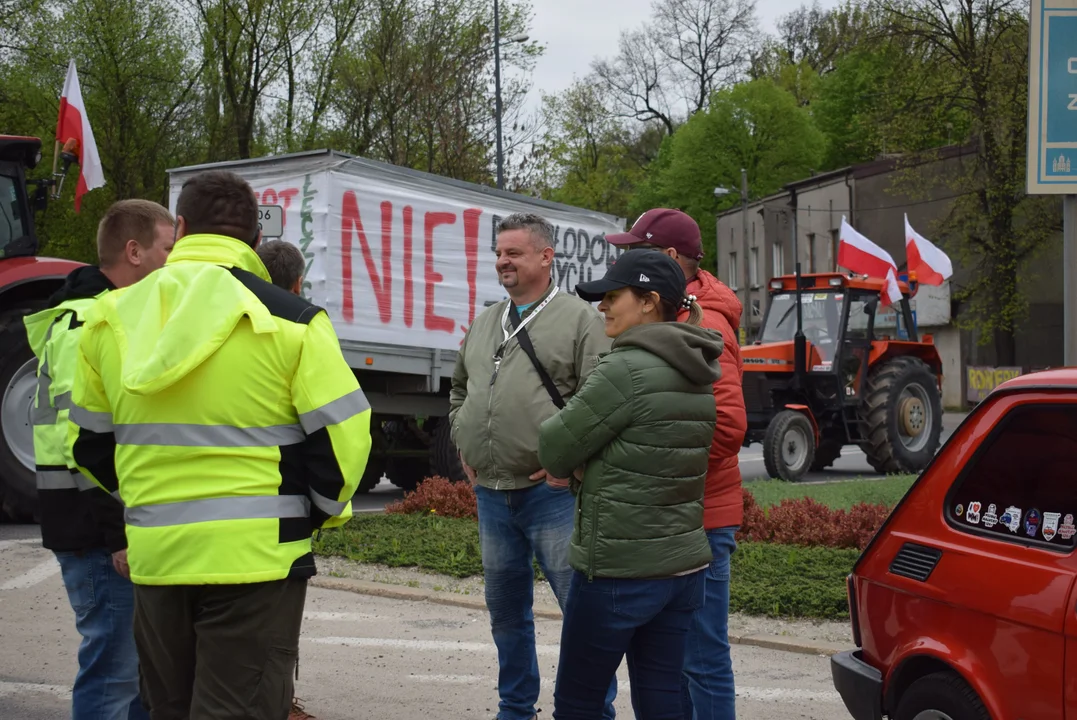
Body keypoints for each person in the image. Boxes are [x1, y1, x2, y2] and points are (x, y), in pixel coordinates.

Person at [68, 170, 371, 720]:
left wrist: (150, 503)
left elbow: (88, 446)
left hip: (158, 559)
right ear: (256, 240)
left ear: (180, 228)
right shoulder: (294, 320)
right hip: (258, 562)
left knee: (169, 710)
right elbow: (343, 439)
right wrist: (313, 515)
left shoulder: (105, 320)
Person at [537, 249, 722, 720]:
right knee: (662, 699)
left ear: (649, 302)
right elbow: (654, 454)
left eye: (612, 296)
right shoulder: (697, 370)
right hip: (681, 570)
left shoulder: (625, 370)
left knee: (577, 704)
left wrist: (580, 467)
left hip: (619, 570)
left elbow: (555, 449)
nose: (602, 307)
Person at [448, 212, 616, 720]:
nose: (502, 261)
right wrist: (464, 439)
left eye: (514, 253)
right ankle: (515, 707)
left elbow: (603, 398)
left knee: (579, 612)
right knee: (506, 614)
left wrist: (569, 460)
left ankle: (590, 711)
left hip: (553, 496)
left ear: (546, 257)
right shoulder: (484, 321)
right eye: (499, 253)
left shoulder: (580, 320)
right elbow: (459, 391)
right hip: (492, 495)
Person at [25, 198, 175, 720]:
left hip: (94, 526)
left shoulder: (85, 319)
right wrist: (120, 533)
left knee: (130, 679)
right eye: (167, 249)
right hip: (97, 533)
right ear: (134, 252)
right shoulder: (89, 326)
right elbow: (84, 443)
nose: (172, 263)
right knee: (113, 677)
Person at [606, 209, 746, 720]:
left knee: (701, 658)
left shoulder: (706, 322)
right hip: (671, 516)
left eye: (633, 251)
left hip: (700, 516)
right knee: (666, 659)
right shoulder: (668, 313)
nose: (622, 261)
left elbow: (728, 426)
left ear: (668, 259)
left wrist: (650, 465)